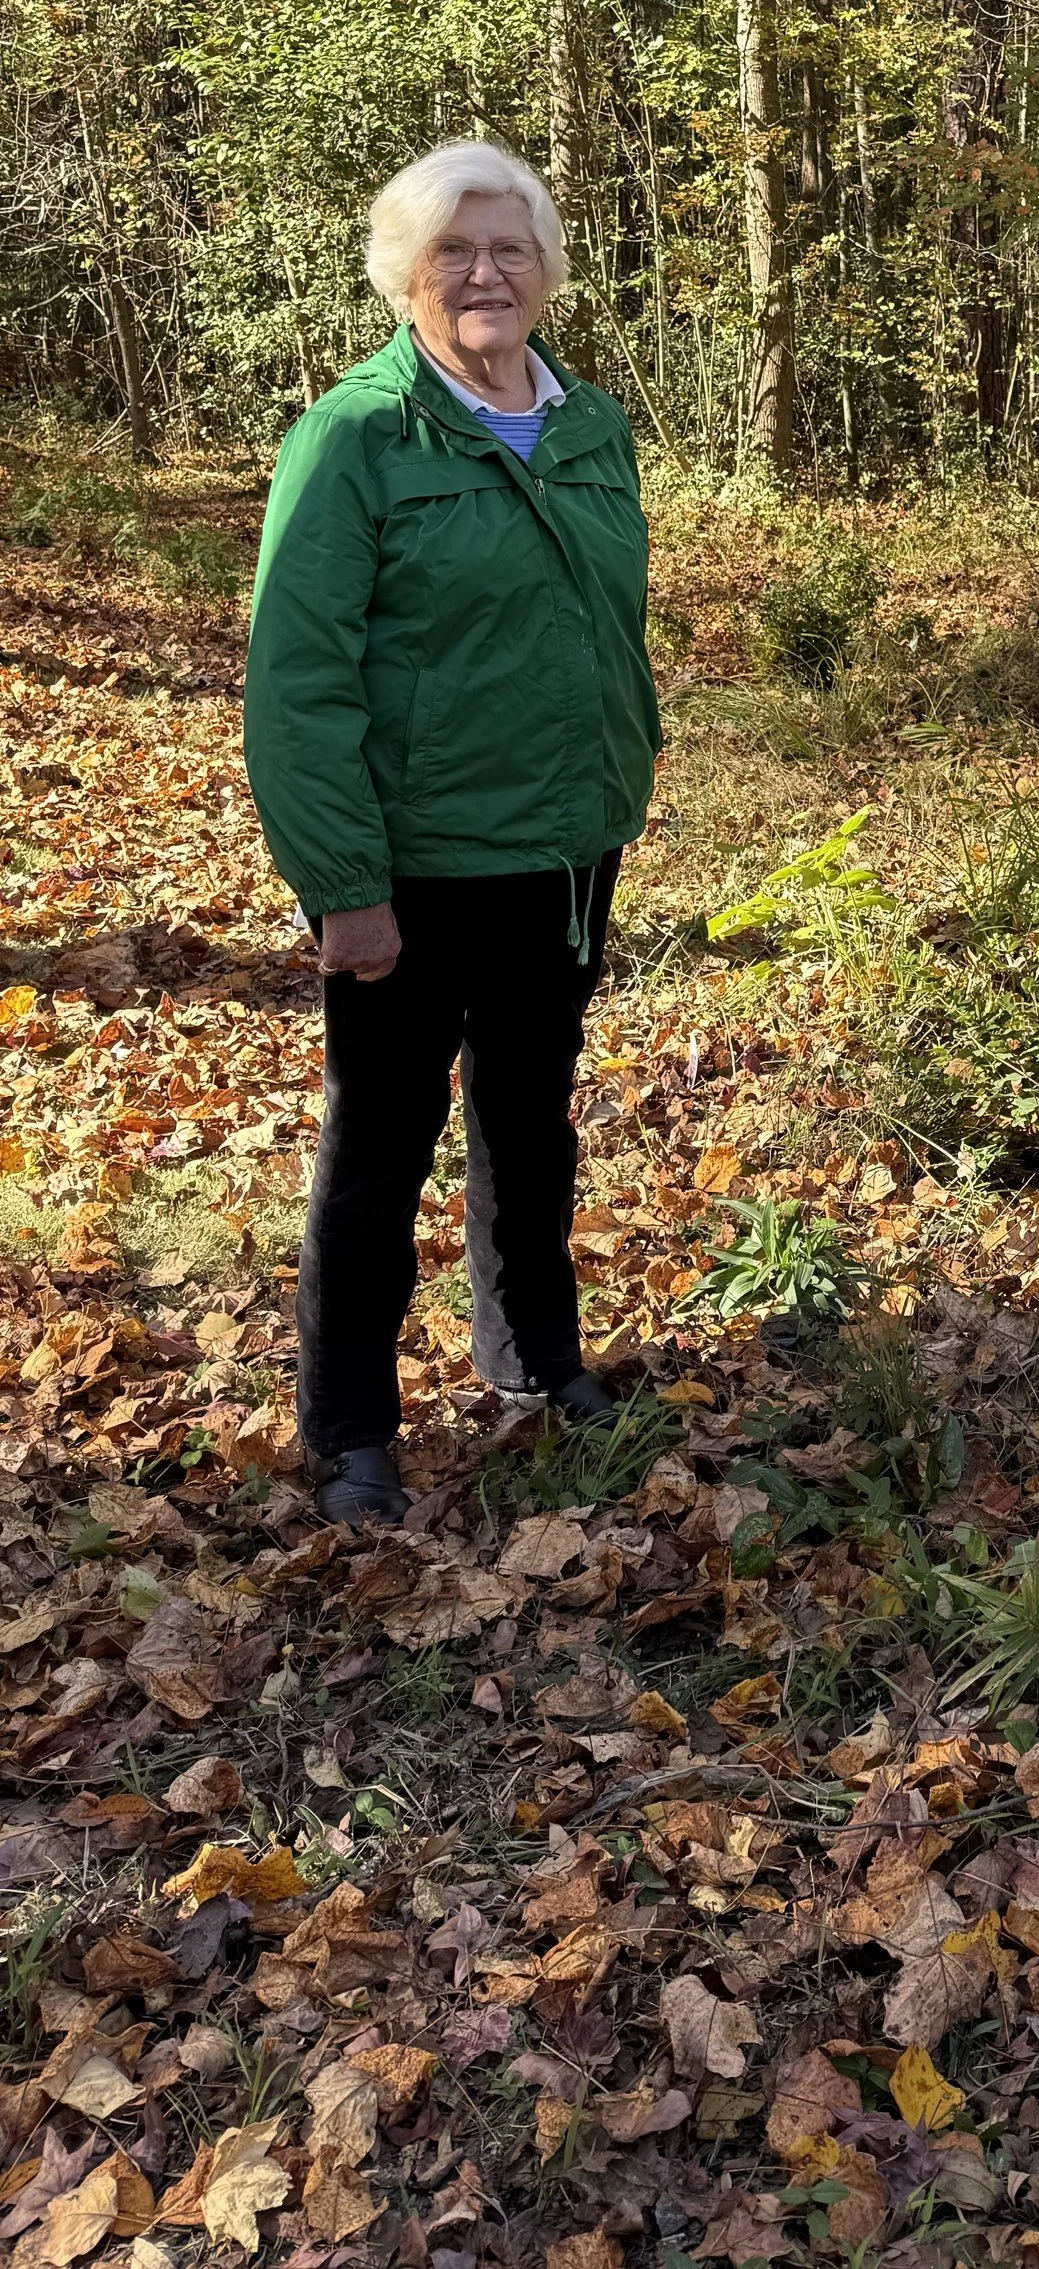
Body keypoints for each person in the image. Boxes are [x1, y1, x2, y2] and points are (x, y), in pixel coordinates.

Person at [243, 141, 662, 1529]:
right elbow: (299, 681)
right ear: (405, 271)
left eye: (512, 248)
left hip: (562, 858)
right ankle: (352, 1428)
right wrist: (343, 884)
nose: (488, 272)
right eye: (457, 249)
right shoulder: (356, 436)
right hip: (412, 869)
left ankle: (539, 1360)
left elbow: (605, 633)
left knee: (532, 1125)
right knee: (383, 1145)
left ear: (546, 269)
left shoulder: (593, 426)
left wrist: (622, 784)